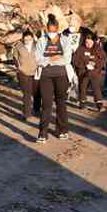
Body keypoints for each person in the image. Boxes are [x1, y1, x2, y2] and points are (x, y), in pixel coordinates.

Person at [35, 14, 74, 143]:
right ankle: (42, 133)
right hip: (46, 76)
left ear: (57, 29)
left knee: (61, 103)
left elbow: (67, 59)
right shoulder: (41, 41)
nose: (51, 33)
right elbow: (38, 59)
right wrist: (54, 58)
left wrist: (48, 60)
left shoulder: (65, 40)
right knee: (46, 104)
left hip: (62, 75)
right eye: (49, 31)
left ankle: (62, 130)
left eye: (53, 31)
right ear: (46, 29)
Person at [73, 32, 106, 111]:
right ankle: (82, 103)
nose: (88, 44)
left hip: (94, 72)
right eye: (86, 42)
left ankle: (99, 104)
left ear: (93, 41)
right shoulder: (80, 49)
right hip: (83, 72)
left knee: (96, 87)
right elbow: (75, 60)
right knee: (83, 86)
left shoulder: (98, 48)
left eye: (90, 42)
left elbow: (103, 59)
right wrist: (85, 64)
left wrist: (96, 64)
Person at [13, 30, 41, 119]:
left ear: (32, 38)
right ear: (23, 39)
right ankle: (26, 113)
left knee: (36, 92)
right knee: (26, 93)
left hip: (35, 72)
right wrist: (18, 67)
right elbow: (15, 57)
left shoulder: (37, 46)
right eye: (26, 39)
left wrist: (40, 67)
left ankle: (36, 109)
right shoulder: (18, 46)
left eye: (29, 39)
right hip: (23, 73)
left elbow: (42, 57)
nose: (28, 41)